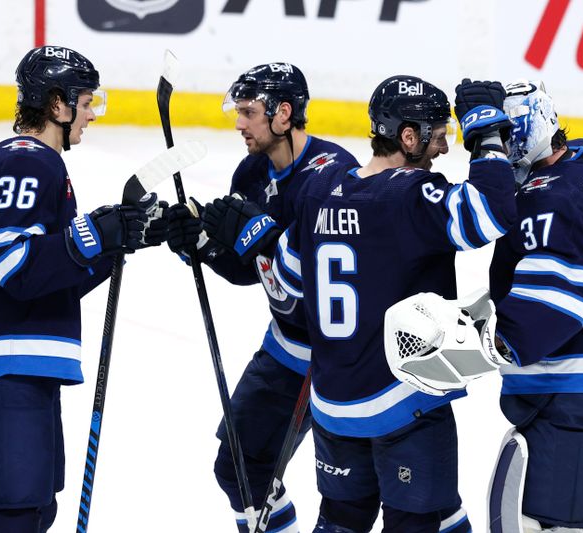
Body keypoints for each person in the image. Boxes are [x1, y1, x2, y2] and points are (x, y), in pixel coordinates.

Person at [199, 75, 516, 532]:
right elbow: (489, 212)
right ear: (409, 137)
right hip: (402, 402)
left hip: (332, 407)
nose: (444, 149)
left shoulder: (321, 189)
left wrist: (255, 239)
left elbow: (289, 278)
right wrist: (485, 133)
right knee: (420, 520)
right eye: (439, 136)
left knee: (343, 522)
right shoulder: (410, 194)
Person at [385, 80, 583, 533]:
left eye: (505, 134)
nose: (499, 151)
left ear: (531, 131)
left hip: (577, 393)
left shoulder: (544, 200)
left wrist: (486, 342)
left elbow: (551, 310)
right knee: (582, 519)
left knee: (535, 523)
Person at [0, 45, 164, 533]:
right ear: (57, 104)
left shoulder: (41, 164)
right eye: (85, 102)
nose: (91, 115)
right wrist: (98, 233)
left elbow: (48, 278)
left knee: (34, 511)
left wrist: (119, 242)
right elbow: (10, 262)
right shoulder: (27, 160)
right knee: (15, 516)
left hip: (17, 354)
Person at [164, 63, 359, 533]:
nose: (238, 123)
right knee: (237, 468)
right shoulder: (251, 172)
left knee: (352, 498)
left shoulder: (332, 177)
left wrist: (259, 236)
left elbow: (321, 285)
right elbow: (250, 269)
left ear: (283, 113)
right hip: (284, 349)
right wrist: (204, 247)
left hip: (334, 360)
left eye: (249, 112)